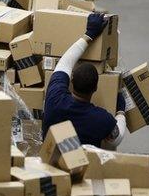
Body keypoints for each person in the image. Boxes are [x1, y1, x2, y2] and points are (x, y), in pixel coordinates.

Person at [43, 13, 127, 149]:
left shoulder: (55, 99)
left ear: (71, 81)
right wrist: (121, 112)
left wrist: (89, 35)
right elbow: (116, 138)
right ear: (95, 88)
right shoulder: (101, 119)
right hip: (83, 167)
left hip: (50, 163)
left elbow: (64, 63)